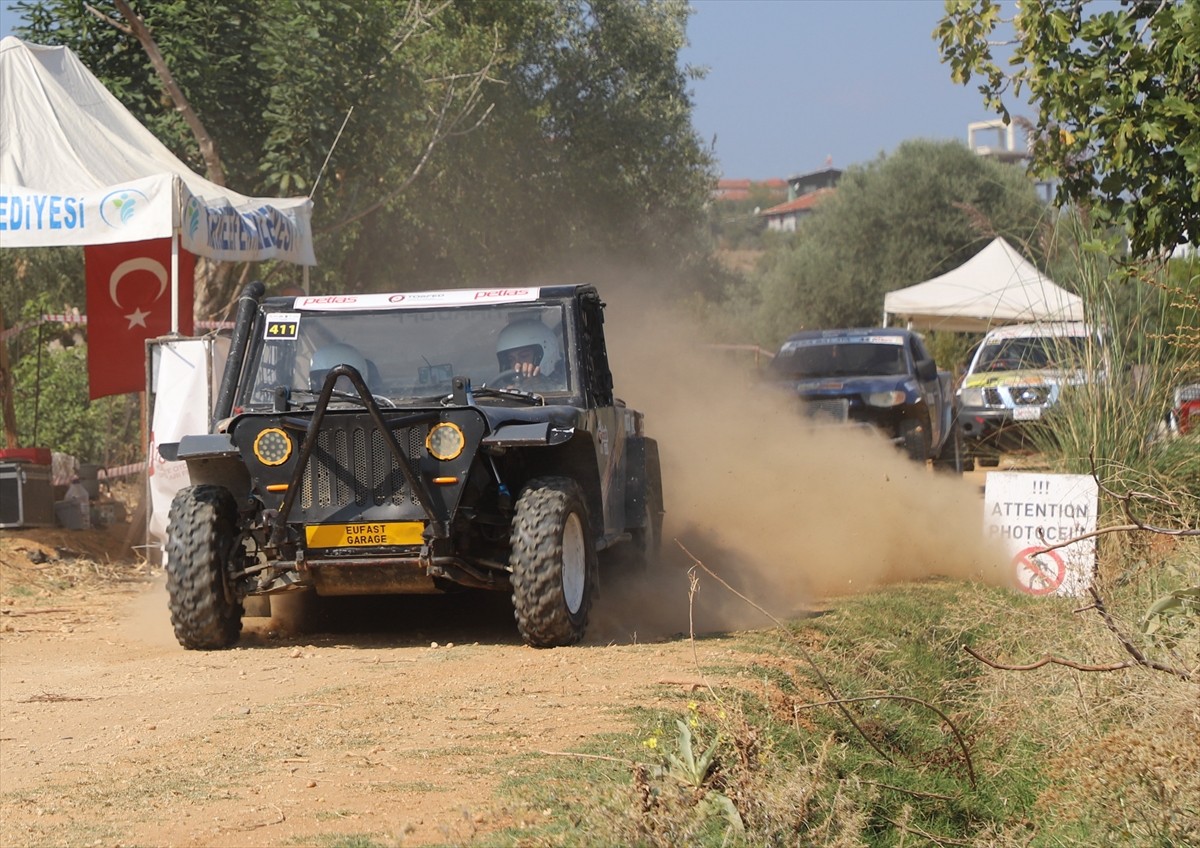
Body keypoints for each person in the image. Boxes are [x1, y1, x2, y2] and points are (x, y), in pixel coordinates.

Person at [495, 318, 565, 389]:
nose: (517, 365)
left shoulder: (564, 387)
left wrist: (539, 386)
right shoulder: (504, 390)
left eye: (524, 356)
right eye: (511, 360)